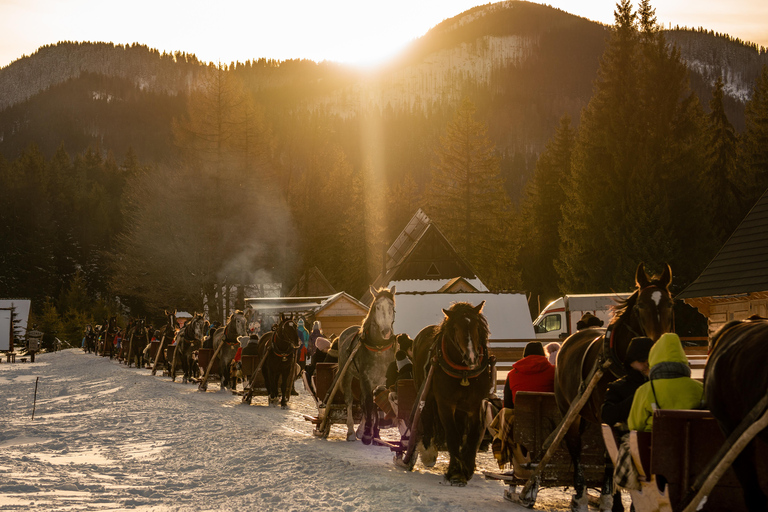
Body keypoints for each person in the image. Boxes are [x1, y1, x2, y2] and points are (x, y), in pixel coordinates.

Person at [628, 333, 704, 432]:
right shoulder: (701, 388)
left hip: (655, 444)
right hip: (695, 443)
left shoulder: (645, 391)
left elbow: (635, 426)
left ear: (653, 359)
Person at [601, 337, 653, 431]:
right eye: (642, 360)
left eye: (650, 360)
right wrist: (638, 397)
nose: (647, 364)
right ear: (630, 362)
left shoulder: (658, 384)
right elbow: (607, 415)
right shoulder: (618, 387)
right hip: (630, 438)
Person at [503, 341, 555, 409]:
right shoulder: (554, 372)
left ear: (524, 356)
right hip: (550, 417)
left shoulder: (512, 374)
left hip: (520, 417)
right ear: (544, 355)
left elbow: (507, 404)